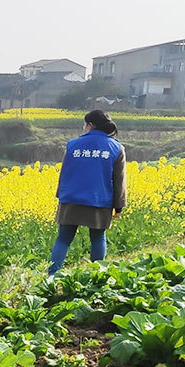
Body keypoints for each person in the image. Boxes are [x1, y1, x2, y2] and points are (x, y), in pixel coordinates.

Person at [48, 109, 126, 276]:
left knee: (63, 239)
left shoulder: (73, 145)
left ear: (90, 125)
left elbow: (65, 173)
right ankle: (96, 275)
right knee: (98, 237)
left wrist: (61, 196)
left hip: (71, 199)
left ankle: (52, 276)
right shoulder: (116, 148)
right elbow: (119, 180)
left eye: (86, 124)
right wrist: (118, 206)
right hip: (99, 200)